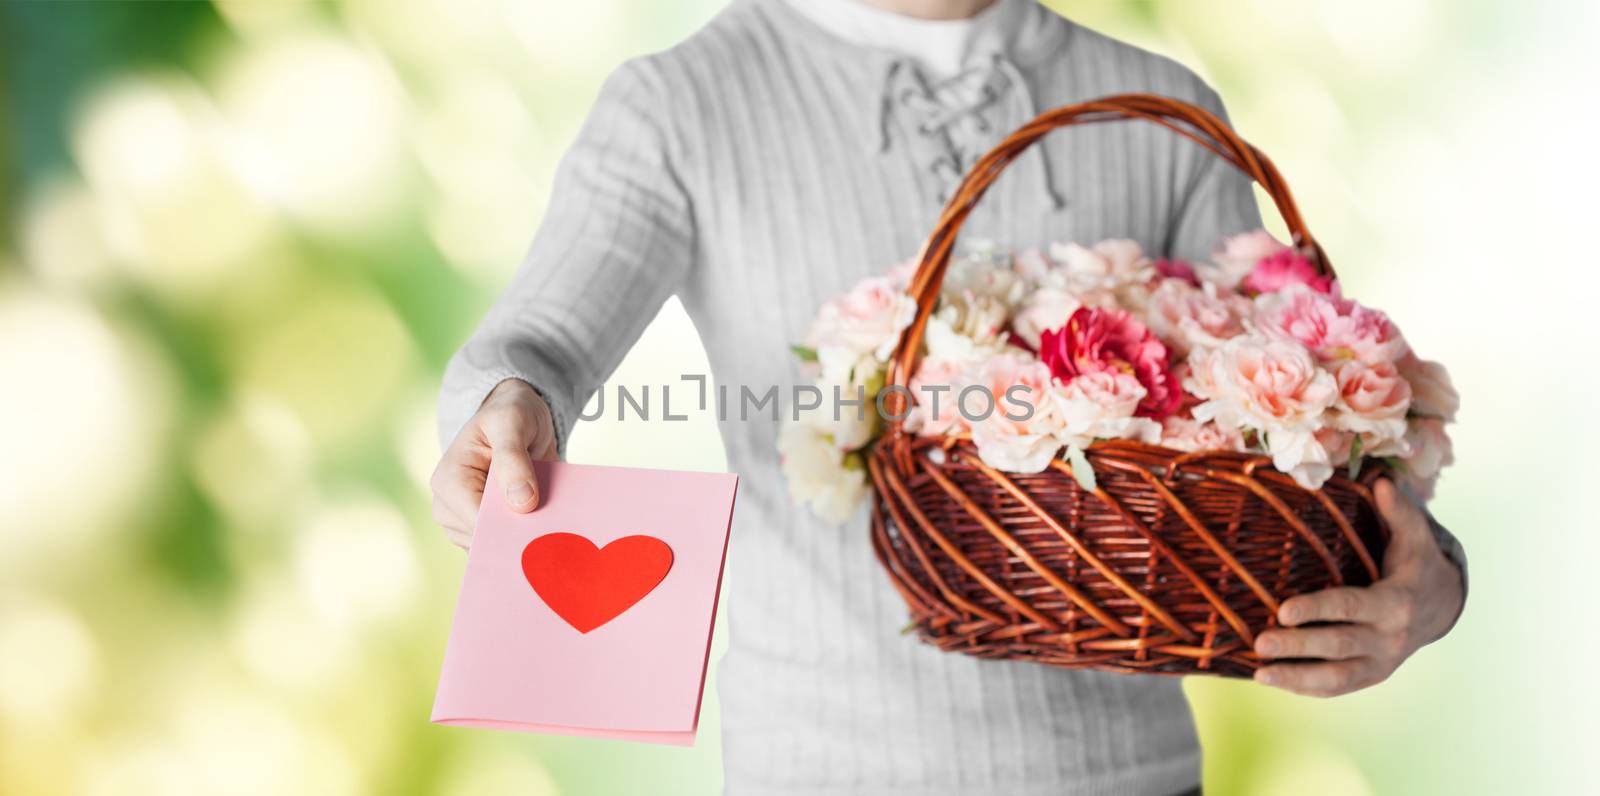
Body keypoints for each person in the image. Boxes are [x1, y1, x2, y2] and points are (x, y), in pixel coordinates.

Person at [430, 1, 1468, 793]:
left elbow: (1297, 435)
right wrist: (504, 405)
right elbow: (545, 337)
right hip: (821, 771)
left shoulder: (1165, 108)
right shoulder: (683, 101)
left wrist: (1429, 576)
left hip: (1132, 775)